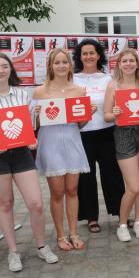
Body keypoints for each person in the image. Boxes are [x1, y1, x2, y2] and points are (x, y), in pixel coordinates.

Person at [0, 53, 59, 272]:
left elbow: (29, 124)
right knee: (5, 204)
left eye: (4, 66)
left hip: (20, 153)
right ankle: (13, 251)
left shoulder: (22, 94)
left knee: (36, 203)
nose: (0, 70)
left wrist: (32, 138)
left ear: (10, 70)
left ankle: (42, 246)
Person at [32, 48, 91, 252]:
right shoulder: (40, 92)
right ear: (50, 65)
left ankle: (73, 233)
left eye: (64, 62)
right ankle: (60, 234)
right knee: (57, 192)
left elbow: (81, 124)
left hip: (72, 140)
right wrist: (35, 115)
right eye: (56, 62)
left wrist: (88, 114)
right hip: (50, 142)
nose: (61, 66)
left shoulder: (79, 90)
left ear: (70, 65)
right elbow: (35, 125)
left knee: (72, 190)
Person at [72, 39, 125, 233]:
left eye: (92, 53)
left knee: (112, 174)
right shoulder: (72, 79)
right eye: (84, 53)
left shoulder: (108, 79)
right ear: (79, 57)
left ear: (98, 55)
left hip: (107, 132)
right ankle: (91, 217)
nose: (88, 57)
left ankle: (120, 212)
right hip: (82, 133)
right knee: (86, 177)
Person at [103, 49, 139, 242]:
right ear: (119, 64)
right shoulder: (113, 86)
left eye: (131, 61)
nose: (128, 64)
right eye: (124, 61)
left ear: (137, 64)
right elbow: (106, 115)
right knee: (133, 186)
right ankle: (123, 224)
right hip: (123, 134)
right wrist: (115, 113)